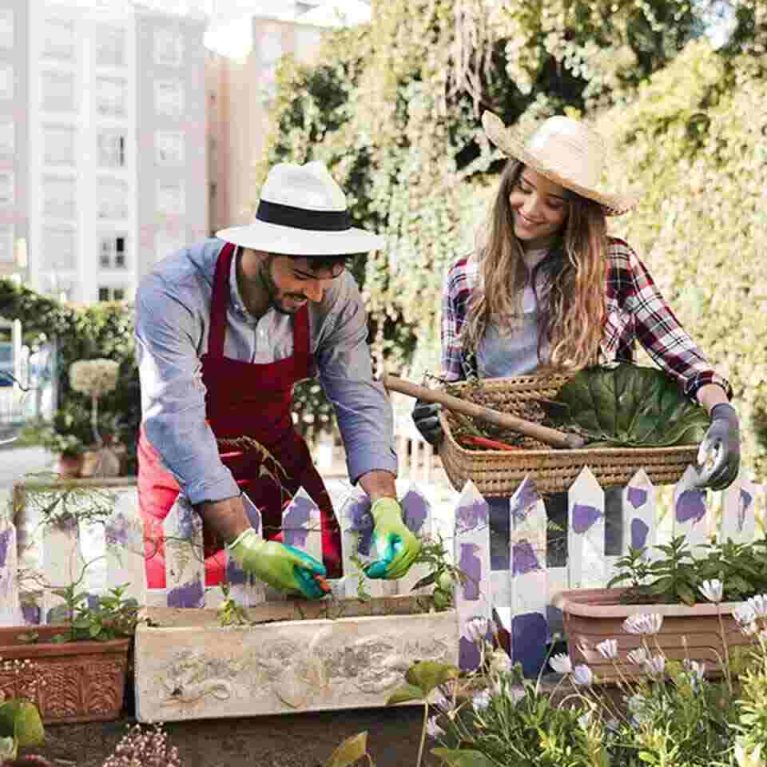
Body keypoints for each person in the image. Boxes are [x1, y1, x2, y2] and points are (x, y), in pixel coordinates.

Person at [413, 111, 740, 563]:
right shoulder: (467, 276)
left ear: (577, 212)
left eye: (554, 202)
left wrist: (721, 411)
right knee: (508, 598)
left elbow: (676, 351)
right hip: (505, 475)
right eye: (523, 188)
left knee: (602, 592)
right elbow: (453, 387)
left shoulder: (613, 264)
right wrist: (434, 417)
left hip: (595, 473)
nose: (531, 209)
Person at [136, 161, 420, 600]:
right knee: (187, 603)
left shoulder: (333, 292)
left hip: (275, 461)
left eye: (327, 277)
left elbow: (358, 395)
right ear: (262, 251)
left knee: (321, 588)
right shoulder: (175, 291)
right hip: (182, 469)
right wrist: (243, 541)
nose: (316, 294)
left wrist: (385, 503)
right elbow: (175, 415)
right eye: (302, 276)